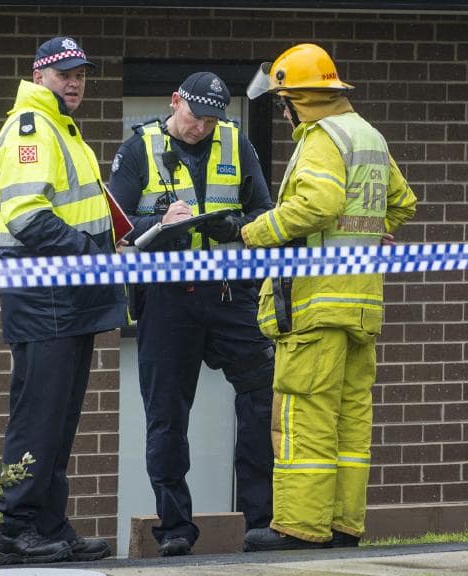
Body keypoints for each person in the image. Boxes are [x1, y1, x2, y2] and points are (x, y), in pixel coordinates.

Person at [239, 43, 418, 552]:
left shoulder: (320, 138)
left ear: (298, 99)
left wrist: (257, 231)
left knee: (304, 415)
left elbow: (317, 203)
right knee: (350, 418)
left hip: (316, 304)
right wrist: (372, 232)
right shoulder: (368, 135)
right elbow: (403, 200)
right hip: (361, 305)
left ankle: (299, 528)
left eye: (283, 102)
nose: (283, 111)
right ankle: (342, 525)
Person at [109, 72, 276, 557]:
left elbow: (263, 212)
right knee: (166, 416)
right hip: (166, 300)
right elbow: (114, 224)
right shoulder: (139, 147)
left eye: (210, 119)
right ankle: (175, 528)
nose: (201, 127)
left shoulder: (235, 142)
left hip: (230, 296)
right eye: (194, 115)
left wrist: (234, 227)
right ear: (175, 101)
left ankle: (261, 522)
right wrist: (159, 223)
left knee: (260, 399)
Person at [0, 36, 128, 565]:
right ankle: (18, 530)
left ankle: (50, 526)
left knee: (62, 417)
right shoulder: (31, 127)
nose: (74, 81)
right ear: (40, 74)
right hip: (46, 291)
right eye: (64, 72)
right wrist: (88, 251)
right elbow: (26, 214)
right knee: (40, 416)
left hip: (70, 293)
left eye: (81, 74)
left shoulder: (63, 129)